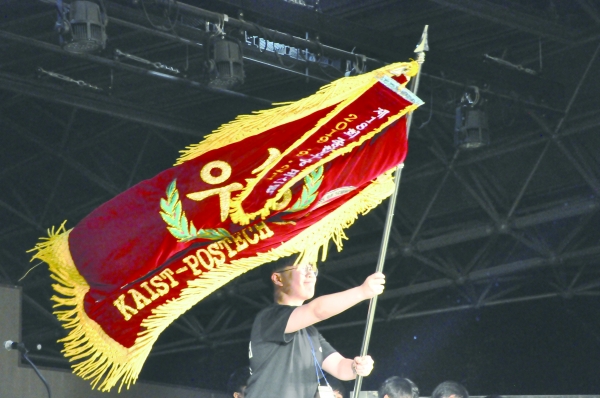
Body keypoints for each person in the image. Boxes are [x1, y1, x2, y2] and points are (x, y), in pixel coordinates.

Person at [244, 258, 386, 398]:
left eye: (312, 269)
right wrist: (362, 292)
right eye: (304, 269)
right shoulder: (268, 318)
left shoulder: (310, 332)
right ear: (278, 279)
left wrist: (357, 367)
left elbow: (339, 367)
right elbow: (318, 310)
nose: (311, 274)